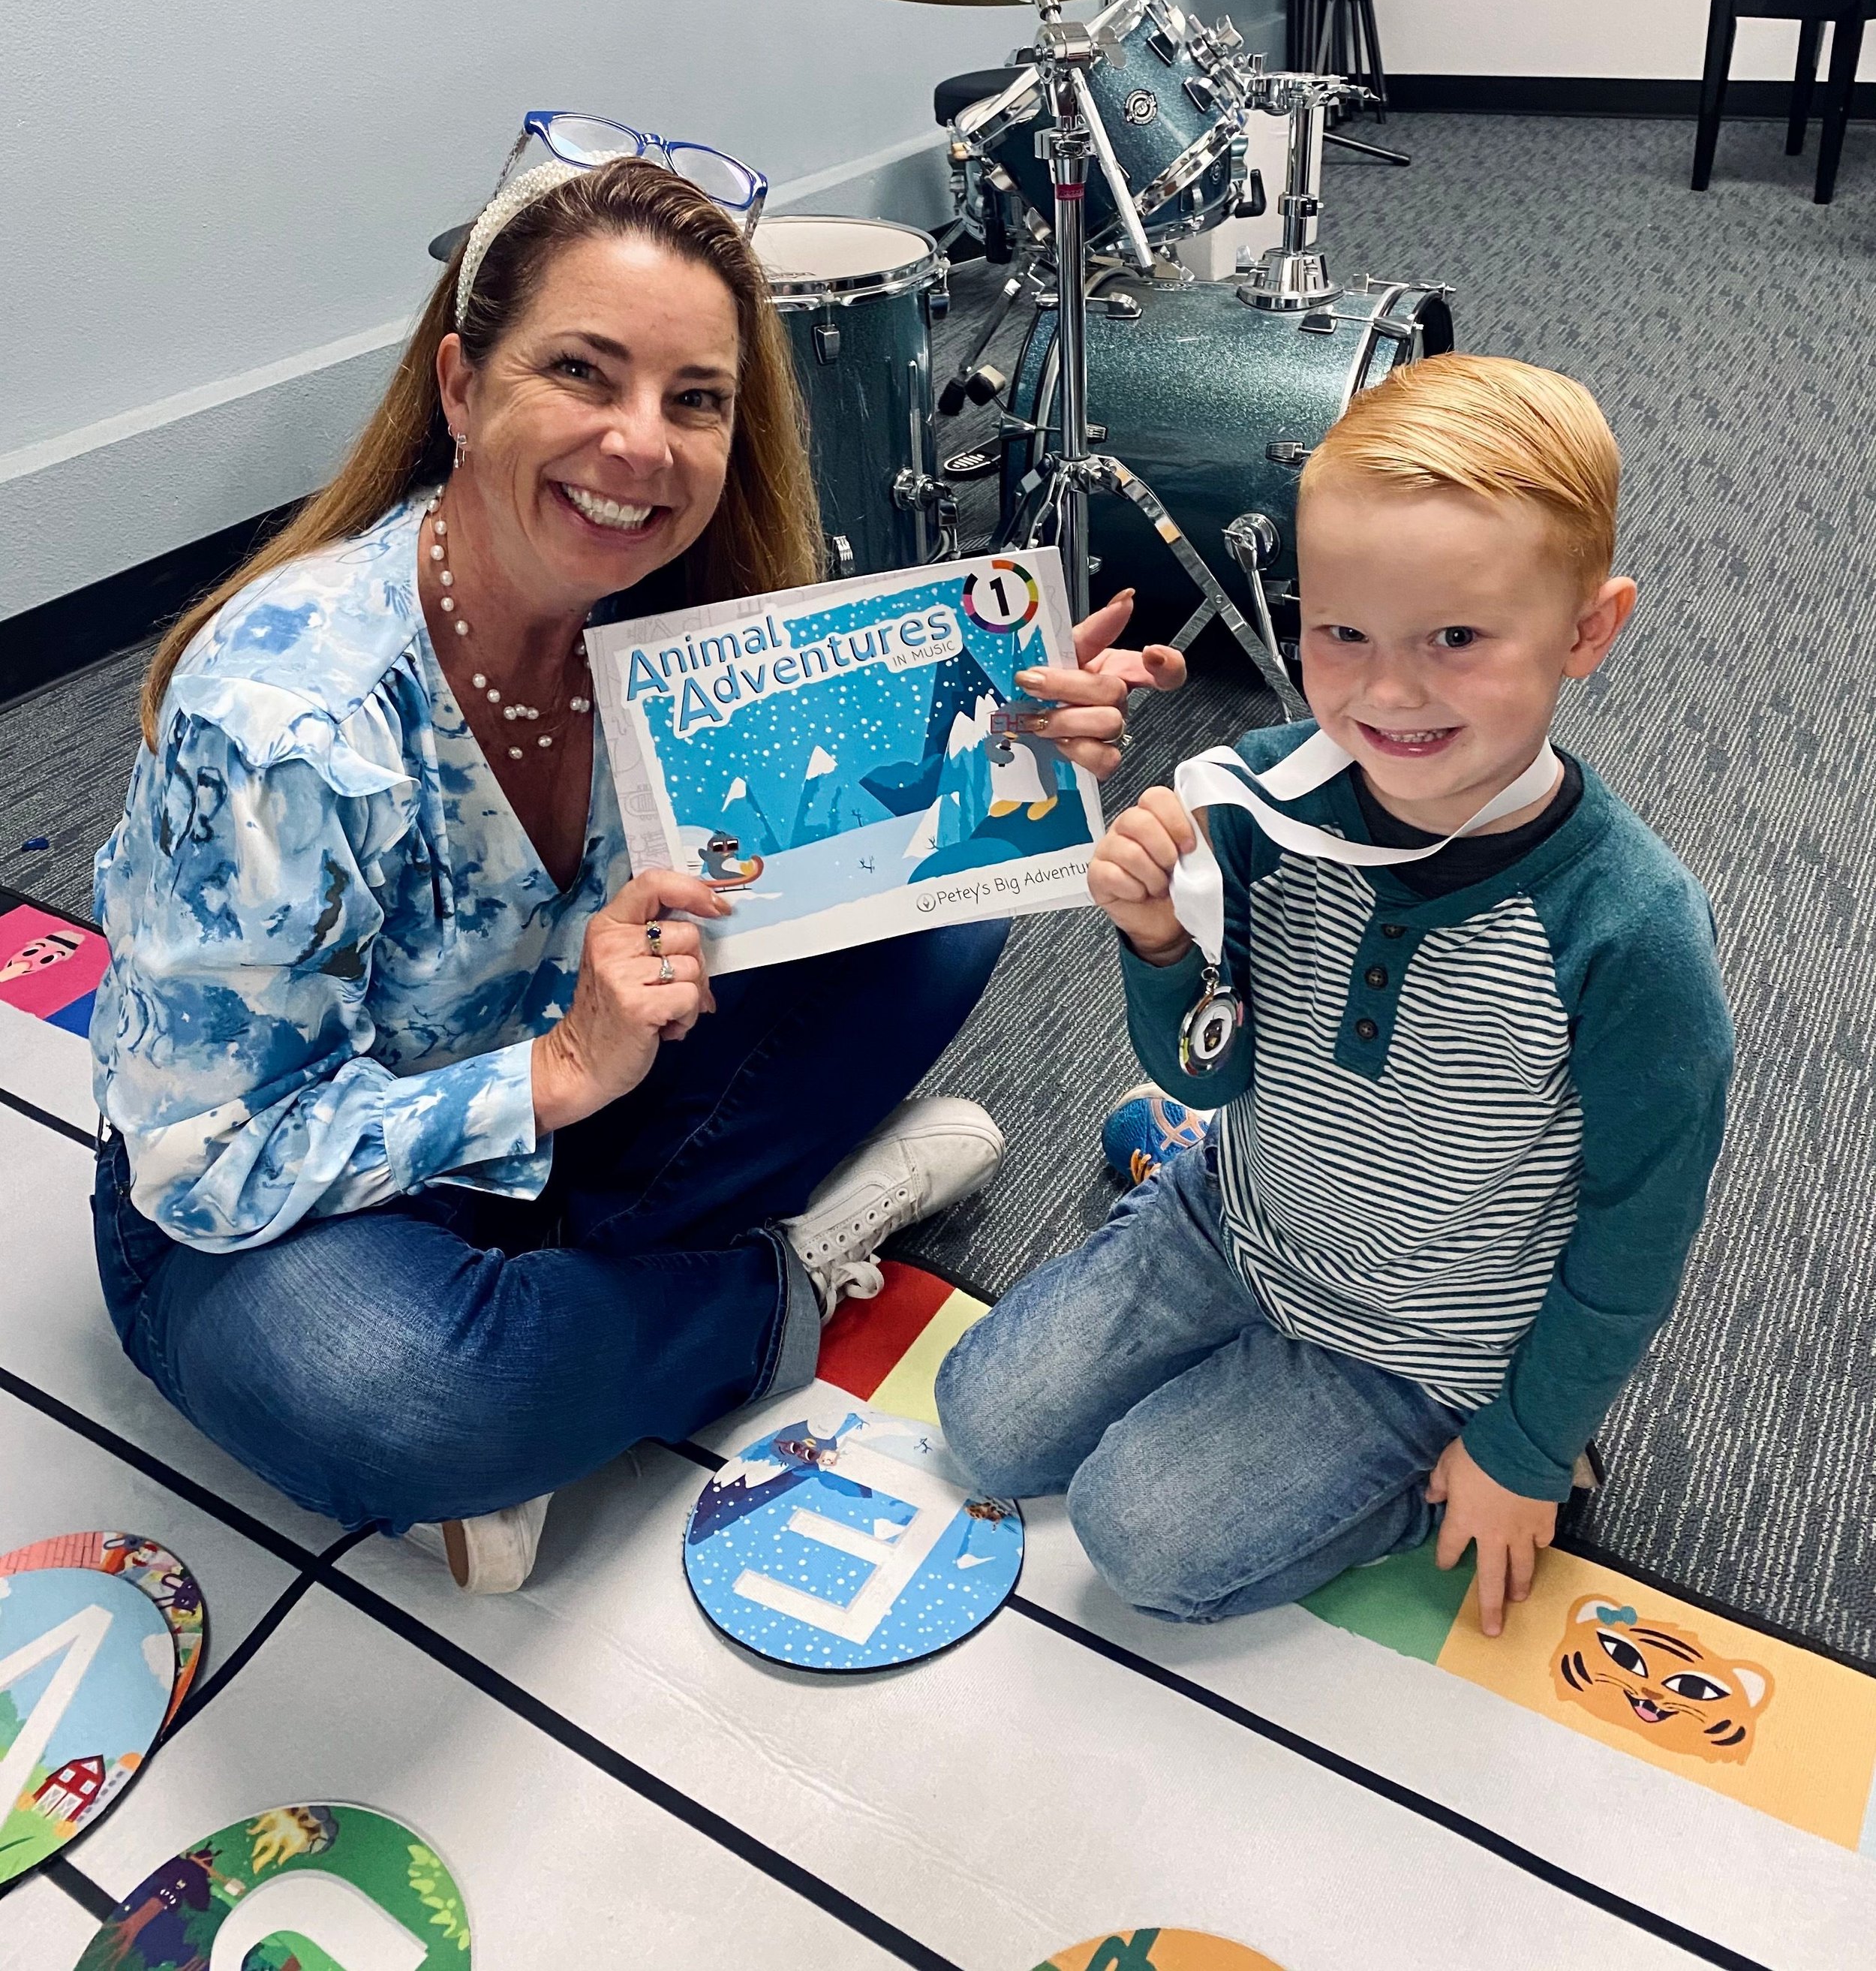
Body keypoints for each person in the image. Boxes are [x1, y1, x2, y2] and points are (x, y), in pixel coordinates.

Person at [91, 147, 1180, 1592]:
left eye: (696, 399)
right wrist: (555, 1073)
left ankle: (575, 1328)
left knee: (944, 923)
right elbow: (204, 1161)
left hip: (553, 1134)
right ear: (464, 388)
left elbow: (871, 838)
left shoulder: (684, 629)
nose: (641, 446)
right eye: (585, 375)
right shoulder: (283, 719)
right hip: (266, 1215)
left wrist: (1015, 749)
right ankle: (770, 1278)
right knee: (419, 1391)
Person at [937, 354, 1733, 1638]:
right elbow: (1209, 1064)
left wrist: (1527, 1444)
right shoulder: (1263, 795)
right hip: (1240, 1213)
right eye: (1339, 630)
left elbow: (1641, 1225)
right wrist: (1156, 942)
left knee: (1140, 1537)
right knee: (981, 1422)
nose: (1388, 691)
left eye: (1457, 638)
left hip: (1424, 1343)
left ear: (1589, 630)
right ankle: (1176, 1169)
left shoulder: (1629, 929)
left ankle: (1463, 1464)